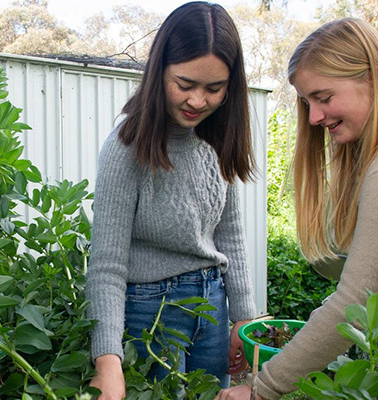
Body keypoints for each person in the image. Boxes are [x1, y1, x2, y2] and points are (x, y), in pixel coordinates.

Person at [216, 18, 378, 400]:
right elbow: (376, 287)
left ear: (375, 78)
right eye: (307, 103)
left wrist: (262, 388)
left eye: (324, 98)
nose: (313, 117)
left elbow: (358, 299)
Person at [85, 2, 261, 398]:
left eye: (214, 89)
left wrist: (244, 322)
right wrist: (108, 360)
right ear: (158, 71)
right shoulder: (126, 146)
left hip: (212, 306)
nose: (198, 101)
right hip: (150, 312)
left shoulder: (217, 139)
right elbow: (107, 266)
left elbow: (229, 235)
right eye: (185, 84)